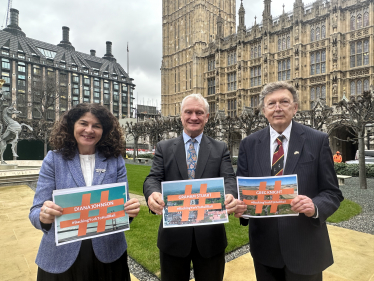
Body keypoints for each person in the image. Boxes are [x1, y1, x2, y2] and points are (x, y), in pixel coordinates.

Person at [235, 82, 344, 281]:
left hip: (305, 248)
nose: (278, 108)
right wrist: (240, 207)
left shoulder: (317, 140)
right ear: (263, 110)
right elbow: (241, 190)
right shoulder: (249, 144)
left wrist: (315, 206)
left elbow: (332, 192)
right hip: (265, 250)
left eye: (284, 102)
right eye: (271, 103)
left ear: (294, 107)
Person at [29, 103, 140, 281]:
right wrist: (43, 216)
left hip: (108, 254)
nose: (89, 130)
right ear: (72, 125)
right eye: (83, 123)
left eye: (96, 126)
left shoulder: (115, 160)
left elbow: (122, 208)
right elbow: (35, 211)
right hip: (62, 255)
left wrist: (130, 211)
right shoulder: (53, 159)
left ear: (104, 131)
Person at [143, 93, 242, 281]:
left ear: (207, 117)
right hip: (173, 238)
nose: (193, 117)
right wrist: (152, 193)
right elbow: (152, 178)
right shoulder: (164, 147)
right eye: (188, 112)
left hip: (210, 238)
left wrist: (230, 194)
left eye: (199, 112)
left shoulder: (220, 148)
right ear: (181, 116)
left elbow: (229, 178)